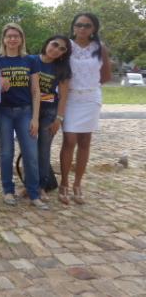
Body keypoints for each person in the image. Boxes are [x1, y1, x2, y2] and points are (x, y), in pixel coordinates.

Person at [60, 13, 112, 204]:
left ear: (94, 29)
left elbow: (106, 75)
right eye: (79, 25)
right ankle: (64, 182)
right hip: (71, 98)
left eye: (87, 25)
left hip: (91, 98)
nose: (82, 28)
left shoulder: (100, 48)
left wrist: (89, 85)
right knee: (69, 140)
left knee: (84, 141)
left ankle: (78, 184)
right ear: (73, 27)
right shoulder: (66, 46)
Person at [0, 23, 47, 209]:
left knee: (30, 154)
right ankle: (8, 191)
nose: (12, 39)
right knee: (6, 153)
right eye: (9, 36)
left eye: (16, 36)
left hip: (25, 112)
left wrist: (35, 118)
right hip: (3, 113)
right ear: (4, 39)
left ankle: (34, 193)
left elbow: (35, 90)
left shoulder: (30, 60)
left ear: (21, 39)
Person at [32, 35, 72, 202]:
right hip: (29, 111)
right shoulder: (31, 60)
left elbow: (63, 96)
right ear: (47, 43)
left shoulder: (61, 68)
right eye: (55, 45)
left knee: (43, 150)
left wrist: (59, 119)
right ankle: (30, 185)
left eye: (62, 49)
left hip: (49, 112)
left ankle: (41, 187)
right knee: (29, 150)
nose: (56, 49)